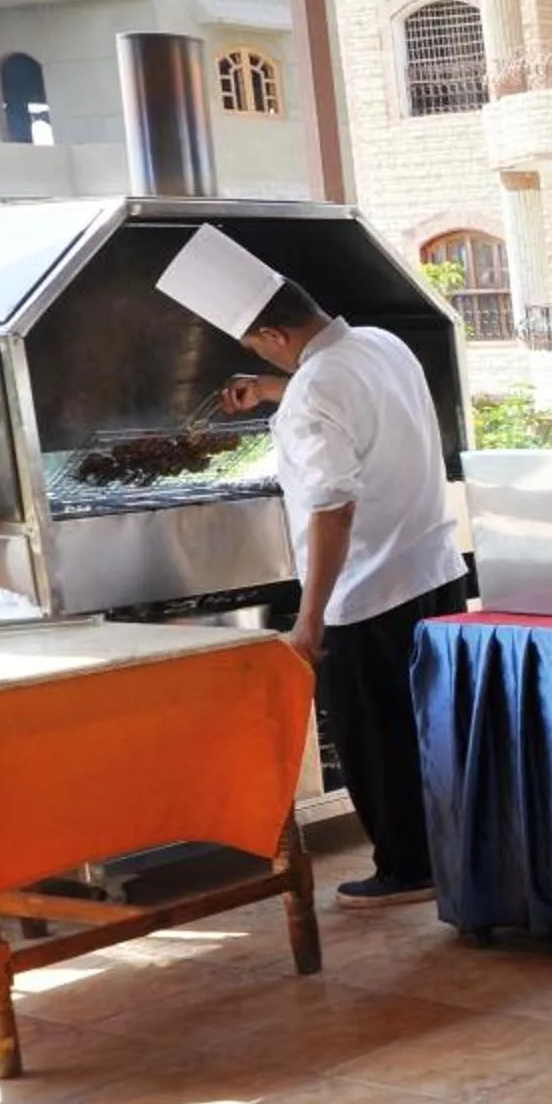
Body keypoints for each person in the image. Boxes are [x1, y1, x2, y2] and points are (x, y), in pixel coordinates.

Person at [162, 227, 467, 911]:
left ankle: (406, 868)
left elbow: (332, 508)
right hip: (435, 569)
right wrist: (273, 387)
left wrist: (309, 618)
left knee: (374, 735)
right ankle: (451, 851)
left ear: (271, 333)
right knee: (427, 725)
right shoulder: (380, 345)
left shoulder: (313, 393)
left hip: (365, 591)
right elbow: (342, 389)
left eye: (254, 347)